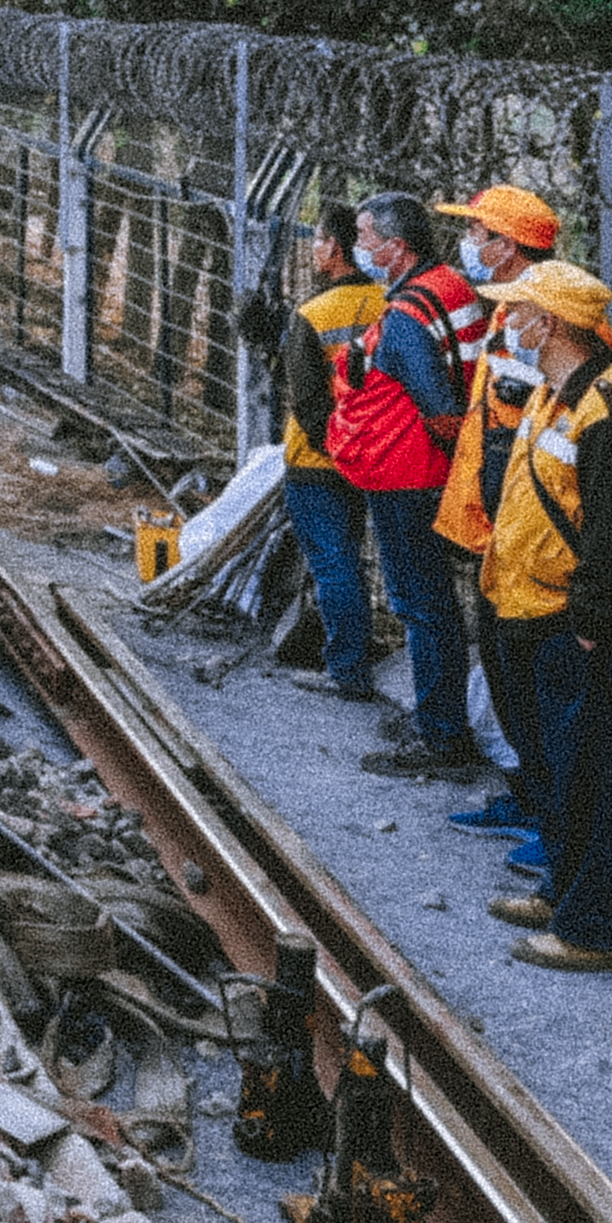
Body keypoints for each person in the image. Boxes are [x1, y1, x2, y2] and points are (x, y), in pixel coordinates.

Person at [474, 258, 612, 974]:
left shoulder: (611, 417)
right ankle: (564, 892)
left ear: (551, 324)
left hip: (566, 623)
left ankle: (594, 927)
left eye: (519, 312)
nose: (508, 324)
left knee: (588, 774)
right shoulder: (556, 396)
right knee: (555, 768)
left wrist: (588, 623)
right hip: (526, 610)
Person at [334, 195, 486, 782]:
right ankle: (440, 720)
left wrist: (455, 462)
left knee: (422, 606)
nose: (360, 247)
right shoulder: (451, 287)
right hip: (425, 471)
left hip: (408, 476)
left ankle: (440, 735)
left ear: (398, 248)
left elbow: (442, 410)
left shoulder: (405, 319)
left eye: (367, 237)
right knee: (436, 605)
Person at [432, 186, 565, 853]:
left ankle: (550, 816)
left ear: (507, 246)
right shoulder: (509, 311)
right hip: (493, 533)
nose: (471, 245)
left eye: (480, 233)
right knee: (510, 680)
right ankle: (527, 797)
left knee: (531, 688)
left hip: (520, 544)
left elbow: (525, 446)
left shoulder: (542, 320)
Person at [236, 208, 392, 701]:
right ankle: (356, 649)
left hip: (319, 462)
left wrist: (337, 449)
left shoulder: (313, 316)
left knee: (333, 563)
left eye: (319, 239)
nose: (313, 248)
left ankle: (347, 667)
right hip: (381, 455)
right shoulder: (390, 303)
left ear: (334, 249)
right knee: (361, 560)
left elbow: (306, 401)